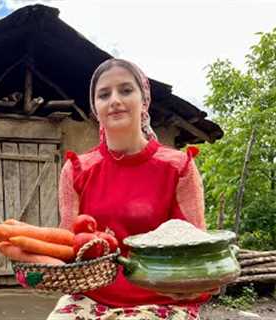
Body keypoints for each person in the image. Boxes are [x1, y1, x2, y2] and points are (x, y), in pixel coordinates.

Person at [47, 59, 210, 320]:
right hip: (91, 295)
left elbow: (196, 248)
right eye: (104, 94)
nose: (114, 100)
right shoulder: (77, 170)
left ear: (144, 100)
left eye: (125, 90)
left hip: (162, 298)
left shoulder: (178, 168)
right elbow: (70, 247)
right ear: (95, 108)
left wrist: (195, 286)